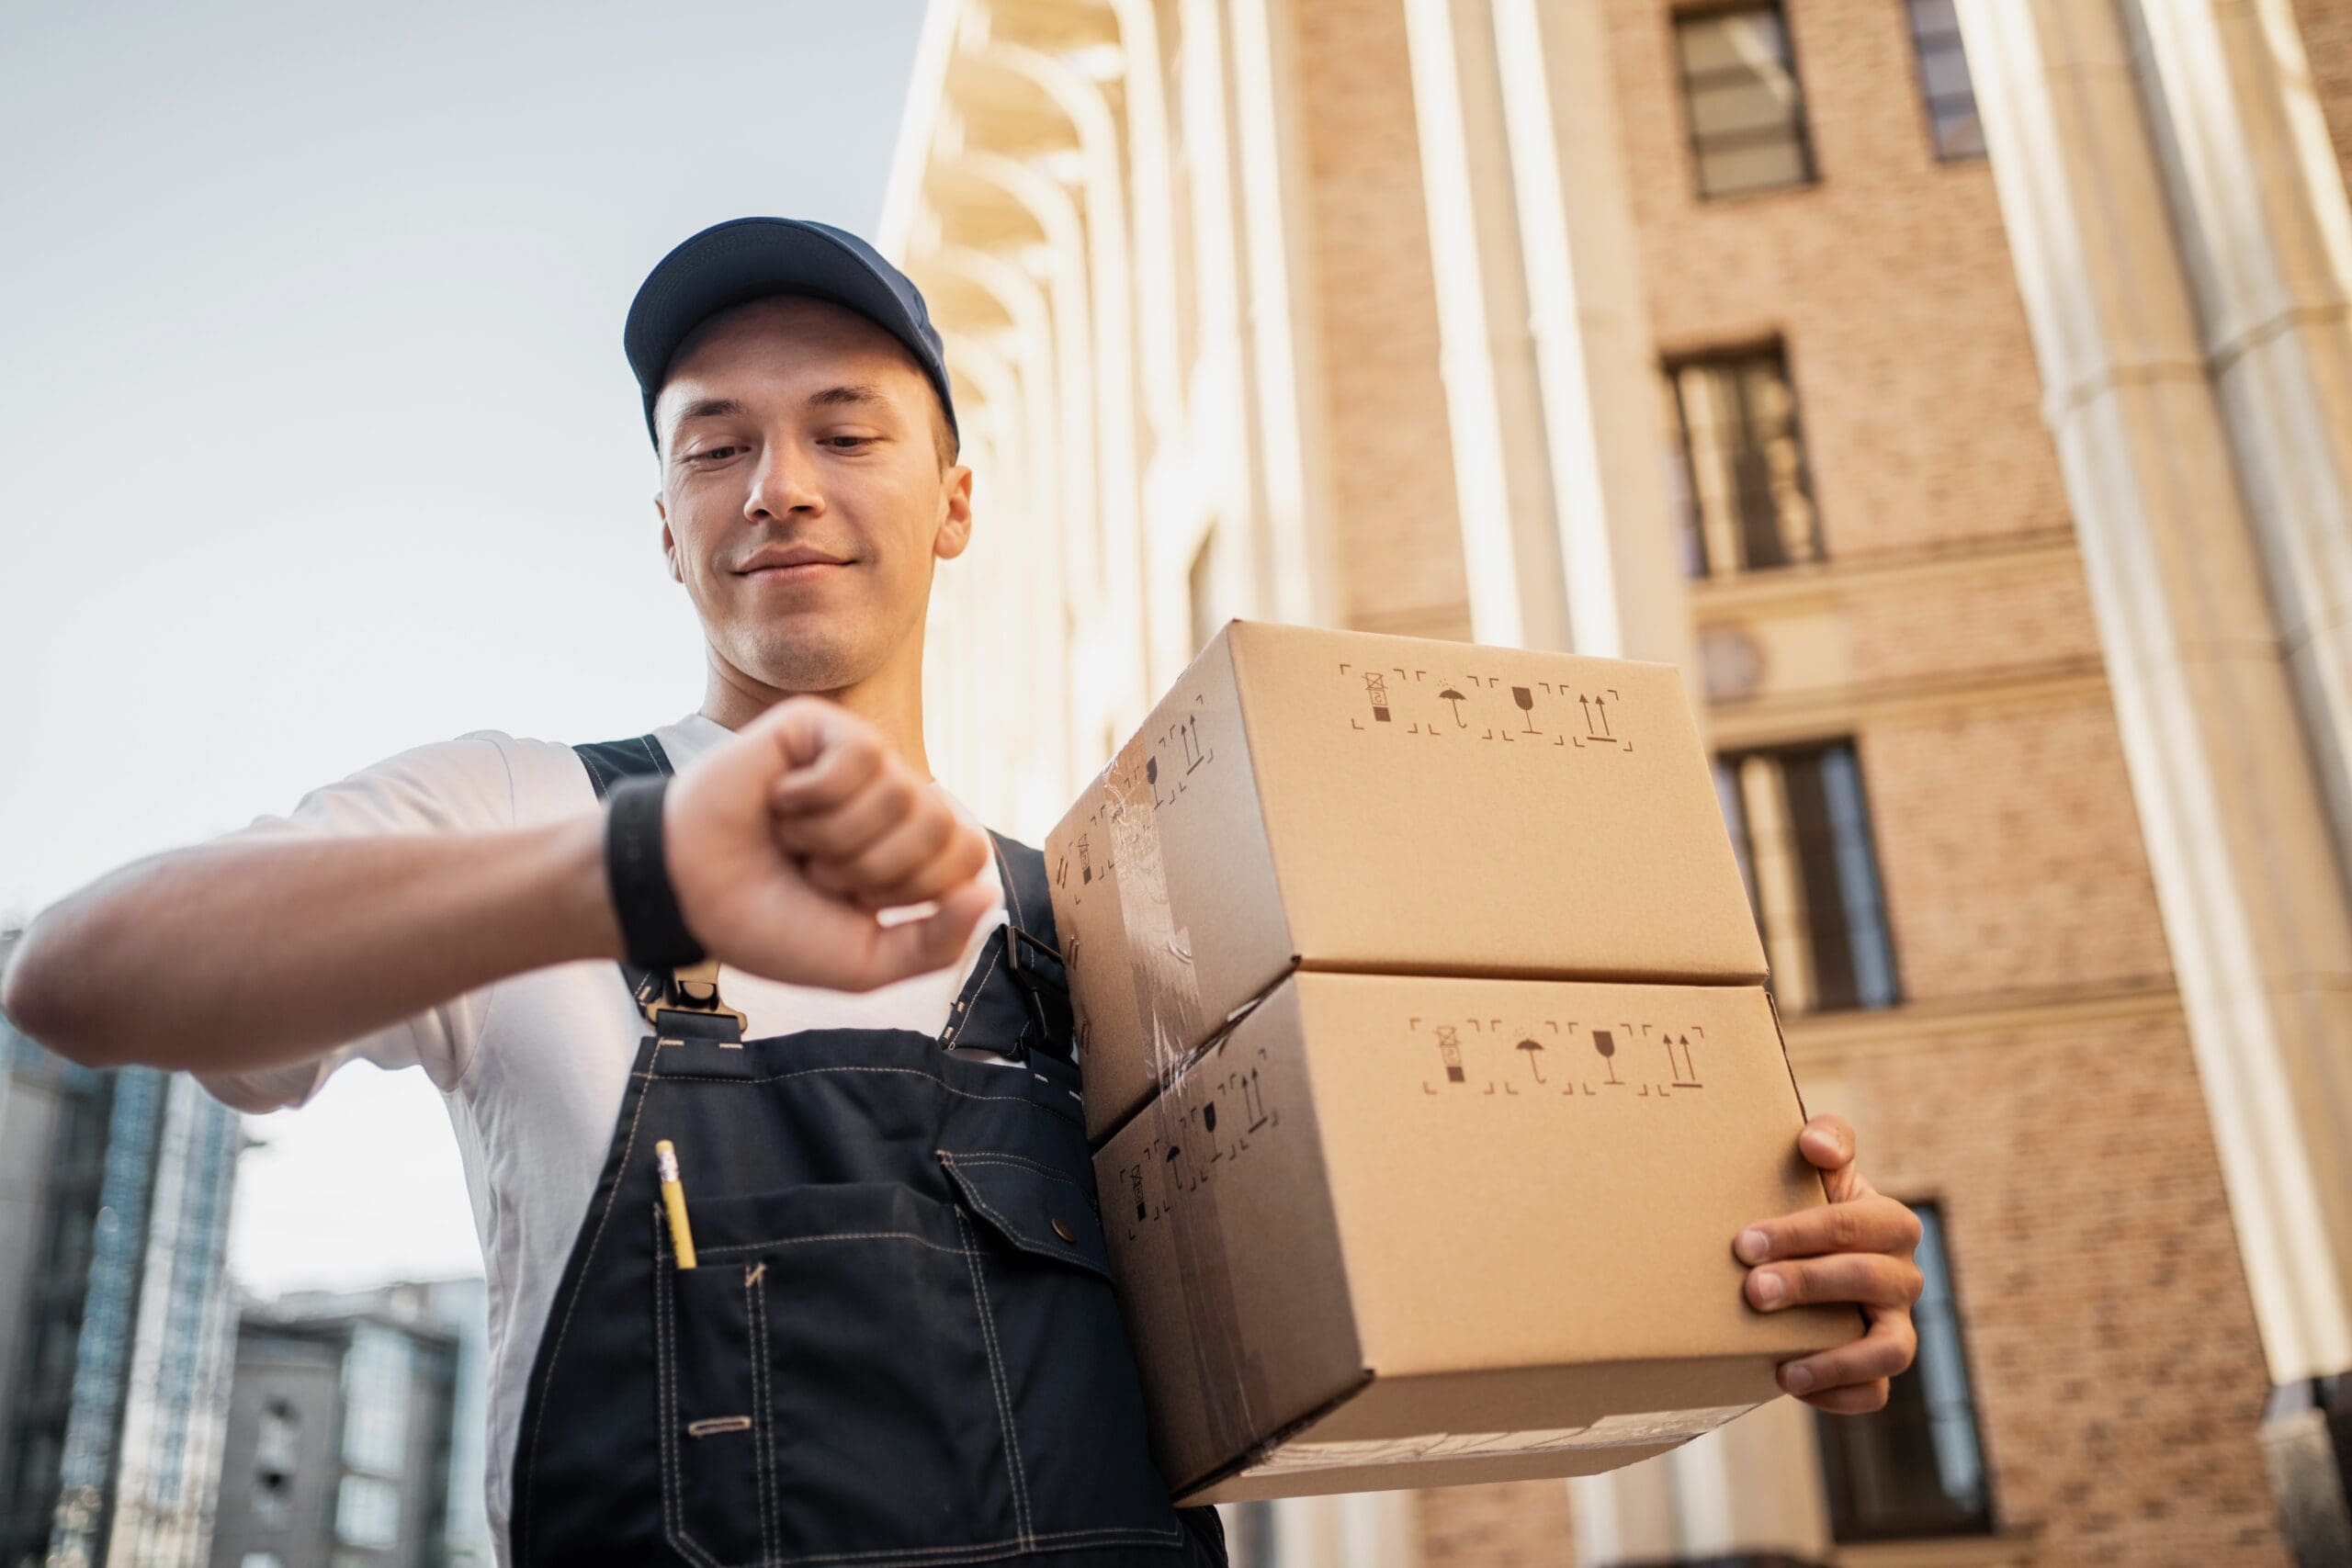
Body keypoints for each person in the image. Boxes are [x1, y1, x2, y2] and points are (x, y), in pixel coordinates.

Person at [2, 216, 1925, 1565]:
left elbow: (1384, 1334)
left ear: (954, 498)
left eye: (845, 430)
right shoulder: (520, 814)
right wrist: (629, 872)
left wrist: (1725, 1295)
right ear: (664, 526)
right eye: (715, 446)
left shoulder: (1112, 939)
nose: (777, 484)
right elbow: (75, 972)